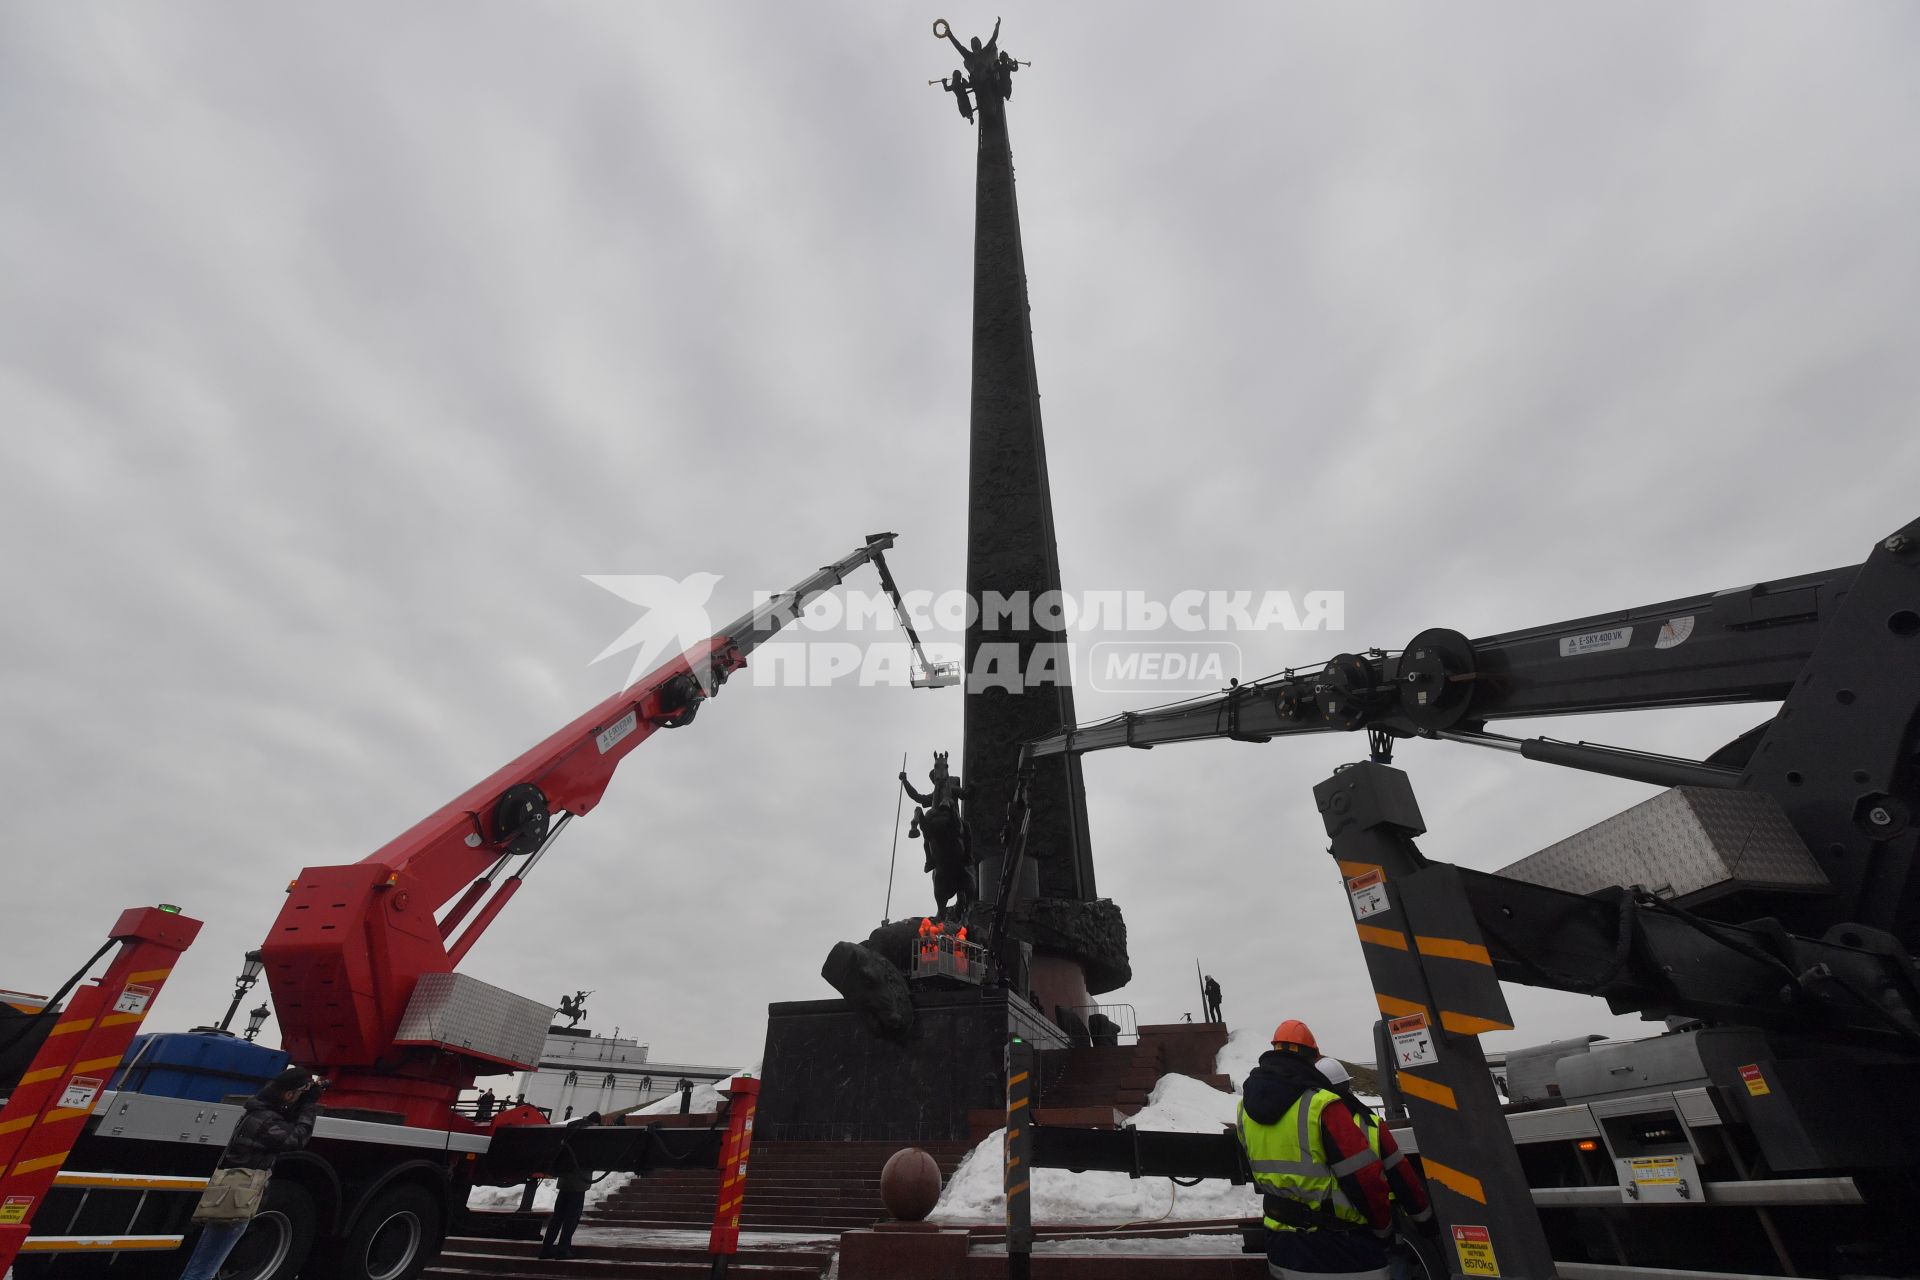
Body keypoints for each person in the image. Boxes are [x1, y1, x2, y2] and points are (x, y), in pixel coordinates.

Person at [1236, 1021, 1395, 1280]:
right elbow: (1363, 1177)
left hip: (1281, 1247)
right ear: (1311, 1057)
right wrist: (1384, 1228)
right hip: (1340, 1249)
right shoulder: (1322, 1104)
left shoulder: (1245, 1109)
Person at [179, 1066, 323, 1280]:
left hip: (232, 1194)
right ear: (288, 1094)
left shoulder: (259, 1113)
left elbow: (285, 1120)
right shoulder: (266, 1121)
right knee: (206, 1264)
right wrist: (309, 1106)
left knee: (207, 1257)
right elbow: (297, 1139)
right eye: (300, 1093)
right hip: (237, 1197)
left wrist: (303, 1099)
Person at [1316, 1059, 1438, 1280]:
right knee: (1394, 1263)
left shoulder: (1312, 1123)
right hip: (1382, 1214)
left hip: (1335, 1223)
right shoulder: (1368, 1121)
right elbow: (1401, 1175)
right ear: (1347, 1086)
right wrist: (1424, 1220)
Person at [539, 1111, 601, 1259]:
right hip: (579, 1181)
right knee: (571, 1218)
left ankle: (546, 1249)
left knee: (557, 1216)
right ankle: (563, 1249)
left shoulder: (571, 1129)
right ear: (595, 1123)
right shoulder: (589, 1134)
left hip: (565, 1179)